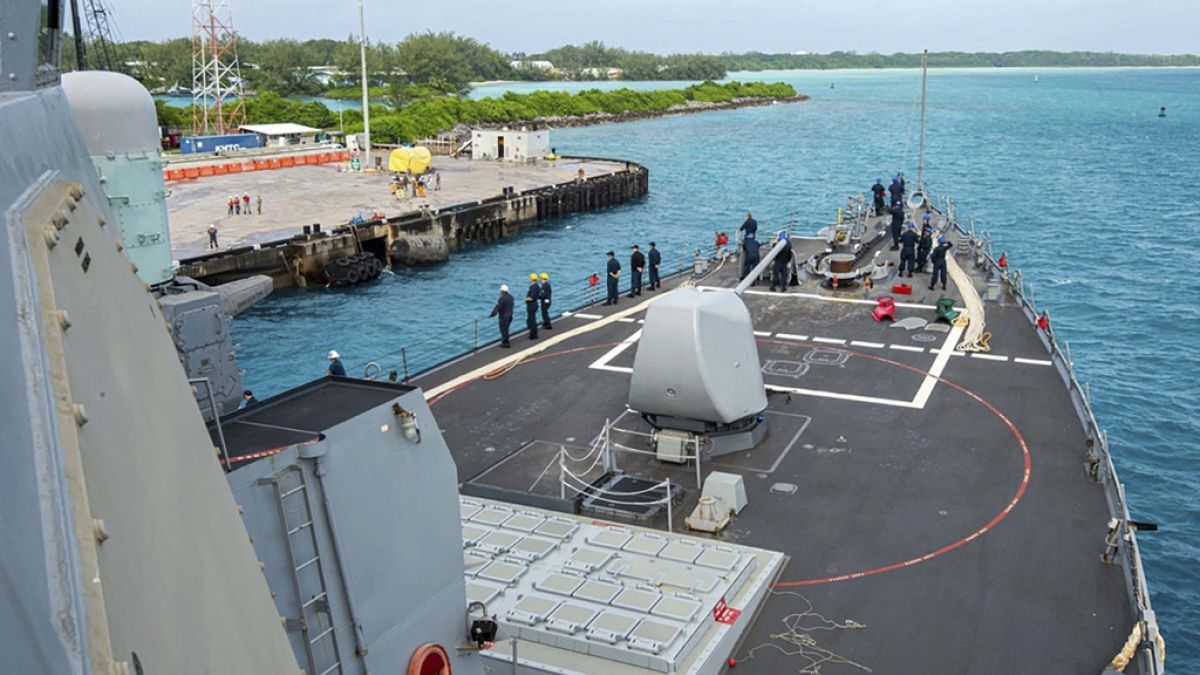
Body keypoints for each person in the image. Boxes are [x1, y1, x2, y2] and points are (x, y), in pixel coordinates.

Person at [525, 273, 541, 340]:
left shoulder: (533, 287)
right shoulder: (537, 286)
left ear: (531, 279)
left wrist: (526, 299)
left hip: (531, 305)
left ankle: (534, 334)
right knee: (532, 319)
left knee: (531, 320)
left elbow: (532, 297)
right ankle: (533, 333)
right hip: (534, 304)